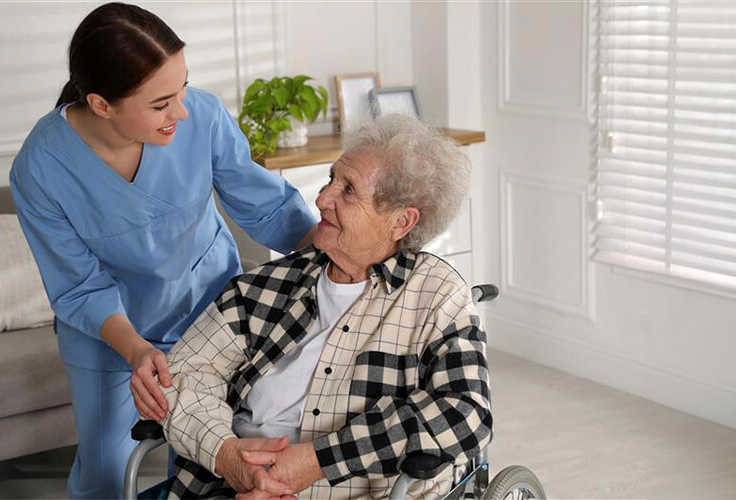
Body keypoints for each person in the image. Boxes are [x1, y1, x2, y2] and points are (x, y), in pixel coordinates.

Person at [9, 3, 317, 498]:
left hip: (210, 311)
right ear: (102, 104)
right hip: (111, 333)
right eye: (160, 104)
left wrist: (339, 249)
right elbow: (79, 285)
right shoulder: (40, 168)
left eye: (183, 89)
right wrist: (135, 350)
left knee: (205, 462)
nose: (182, 112)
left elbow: (268, 208)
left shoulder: (203, 118)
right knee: (107, 473)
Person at [155, 114, 492, 499]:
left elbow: (465, 412)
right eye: (331, 179)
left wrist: (317, 460)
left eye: (348, 190)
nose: (321, 199)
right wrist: (229, 456)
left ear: (401, 221)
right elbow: (182, 374)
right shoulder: (265, 286)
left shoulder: (437, 295)